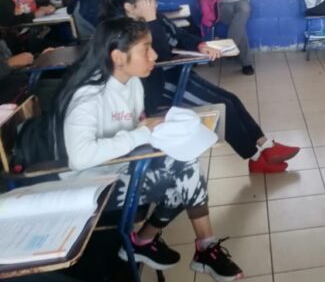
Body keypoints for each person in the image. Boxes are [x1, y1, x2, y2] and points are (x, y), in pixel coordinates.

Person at [55, 17, 243, 280]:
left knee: (185, 164)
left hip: (120, 165)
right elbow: (80, 158)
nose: (154, 55)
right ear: (118, 57)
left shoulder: (132, 82)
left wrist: (158, 129)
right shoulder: (88, 95)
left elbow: (136, 128)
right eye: (145, 49)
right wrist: (141, 133)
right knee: (184, 175)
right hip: (90, 184)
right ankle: (179, 245)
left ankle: (154, 242)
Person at [102, 0, 299, 174]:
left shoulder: (155, 17)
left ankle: (266, 145)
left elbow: (180, 35)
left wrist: (200, 45)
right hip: (161, 85)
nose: (152, 3)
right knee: (224, 107)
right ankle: (255, 158)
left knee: (231, 98)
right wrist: (151, 20)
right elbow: (160, 55)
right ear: (129, 6)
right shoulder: (127, 31)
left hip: (176, 73)